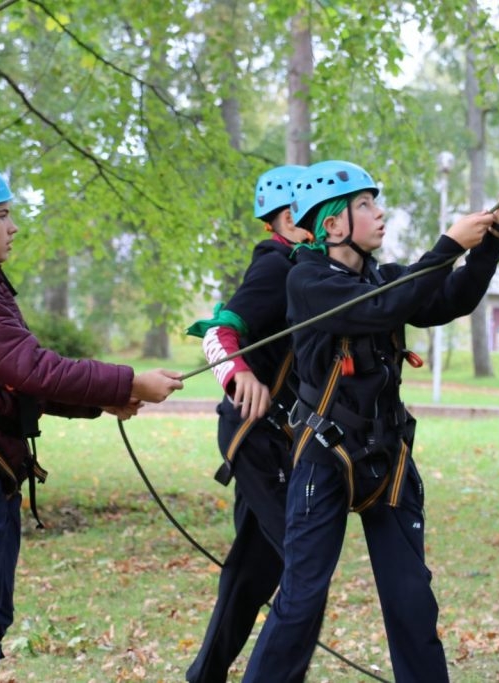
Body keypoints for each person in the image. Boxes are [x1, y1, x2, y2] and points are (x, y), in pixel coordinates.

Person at [241, 160, 499, 683]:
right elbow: (379, 309)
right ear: (332, 225)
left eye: (375, 203)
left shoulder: (382, 276)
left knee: (412, 602)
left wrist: (489, 235)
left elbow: (449, 298)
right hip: (324, 457)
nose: (379, 214)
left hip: (386, 458)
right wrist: (448, 244)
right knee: (302, 600)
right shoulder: (307, 282)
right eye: (364, 205)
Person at [0, 158, 184, 683]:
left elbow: (15, 379)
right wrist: (128, 382)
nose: (15, 226)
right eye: (4, 215)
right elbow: (35, 368)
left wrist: (106, 400)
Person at [184, 164, 322, 682]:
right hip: (257, 438)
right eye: (317, 212)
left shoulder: (310, 269)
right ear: (290, 218)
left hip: (283, 440)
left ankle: (205, 676)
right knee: (305, 568)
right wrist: (240, 376)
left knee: (252, 572)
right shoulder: (276, 268)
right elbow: (218, 333)